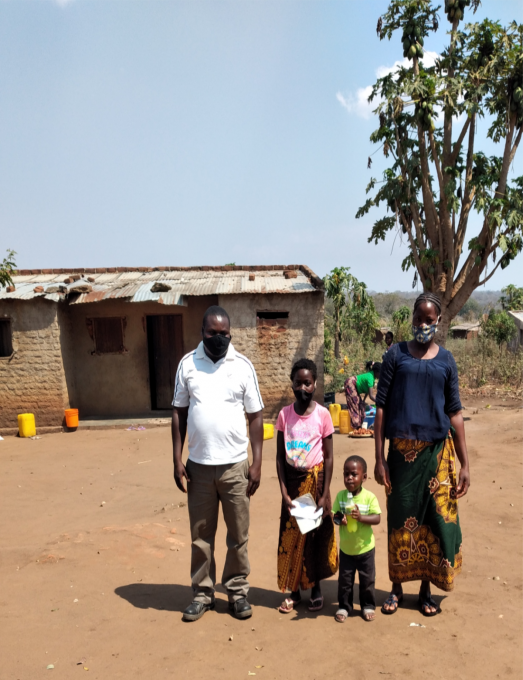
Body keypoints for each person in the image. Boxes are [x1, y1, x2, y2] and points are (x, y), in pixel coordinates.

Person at [374, 292, 471, 617]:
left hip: (437, 455)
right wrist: (379, 458)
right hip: (402, 455)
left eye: (430, 320)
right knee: (400, 522)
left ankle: (426, 589)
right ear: (411, 317)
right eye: (419, 318)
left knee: (433, 523)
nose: (423, 325)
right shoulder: (395, 355)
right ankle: (398, 587)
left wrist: (465, 462)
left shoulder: (446, 361)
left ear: (439, 322)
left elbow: (455, 412)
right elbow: (382, 407)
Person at [172, 305, 264, 622]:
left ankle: (237, 593)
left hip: (236, 466)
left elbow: (255, 416)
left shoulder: (242, 366)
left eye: (224, 333)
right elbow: (179, 413)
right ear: (202, 332)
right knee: (201, 537)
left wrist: (257, 462)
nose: (219, 338)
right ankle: (202, 593)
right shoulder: (187, 365)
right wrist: (176, 458)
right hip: (198, 466)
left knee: (238, 536)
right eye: (213, 333)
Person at [276, 358, 338, 613]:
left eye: (308, 383)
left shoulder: (323, 415)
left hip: (315, 485)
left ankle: (315, 588)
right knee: (292, 537)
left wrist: (324, 495)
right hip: (292, 484)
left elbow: (330, 456)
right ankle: (293, 591)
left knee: (313, 538)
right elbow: (280, 458)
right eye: (298, 382)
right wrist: (283, 491)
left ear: (315, 385)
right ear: (292, 384)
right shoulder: (284, 415)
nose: (303, 387)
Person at [332, 455, 381, 622]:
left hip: (366, 549)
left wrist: (361, 518)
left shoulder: (369, 497)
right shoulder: (341, 496)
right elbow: (335, 515)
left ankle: (367, 605)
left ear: (364, 477)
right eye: (346, 474)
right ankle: (344, 606)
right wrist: (340, 519)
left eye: (354, 474)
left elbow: (377, 518)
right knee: (345, 581)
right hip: (347, 549)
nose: (349, 478)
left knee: (367, 580)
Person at [344, 361, 381, 429]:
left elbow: (367, 391)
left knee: (361, 406)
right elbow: (371, 396)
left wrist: (363, 401)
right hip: (350, 384)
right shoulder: (370, 378)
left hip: (354, 386)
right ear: (376, 371)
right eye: (380, 373)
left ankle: (359, 426)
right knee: (355, 406)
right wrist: (379, 402)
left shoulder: (371, 376)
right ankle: (356, 426)